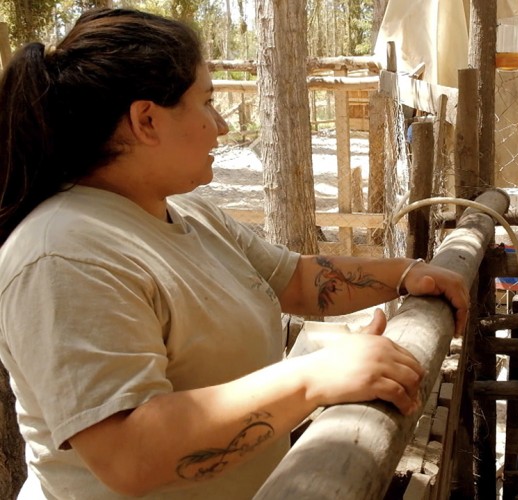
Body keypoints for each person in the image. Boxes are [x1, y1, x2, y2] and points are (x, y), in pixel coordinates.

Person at [0, 8, 469, 500]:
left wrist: (405, 274)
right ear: (146, 120)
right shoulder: (63, 255)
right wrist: (312, 378)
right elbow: (127, 450)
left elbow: (294, 280)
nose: (221, 125)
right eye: (207, 103)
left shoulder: (188, 214)